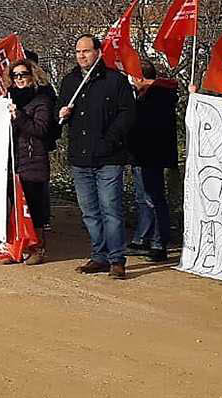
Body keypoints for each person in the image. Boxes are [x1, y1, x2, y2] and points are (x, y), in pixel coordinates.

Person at [58, 34, 136, 279]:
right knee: (89, 211)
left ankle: (116, 259)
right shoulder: (70, 81)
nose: (81, 55)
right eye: (78, 51)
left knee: (111, 209)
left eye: (86, 51)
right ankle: (99, 255)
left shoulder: (115, 80)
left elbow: (127, 115)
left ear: (98, 52)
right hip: (80, 157)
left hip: (108, 157)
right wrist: (60, 112)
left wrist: (109, 140)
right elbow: (57, 112)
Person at [127, 61, 177, 264]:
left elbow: (147, 126)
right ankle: (143, 237)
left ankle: (159, 242)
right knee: (142, 197)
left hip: (151, 154)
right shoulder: (146, 95)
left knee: (153, 198)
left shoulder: (158, 96)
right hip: (141, 153)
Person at [7, 58, 56, 264]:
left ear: (32, 76)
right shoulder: (8, 98)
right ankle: (17, 246)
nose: (19, 79)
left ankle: (38, 248)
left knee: (34, 207)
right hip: (12, 161)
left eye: (23, 75)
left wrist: (18, 116)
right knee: (14, 206)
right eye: (15, 75)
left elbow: (40, 130)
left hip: (33, 160)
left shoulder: (41, 100)